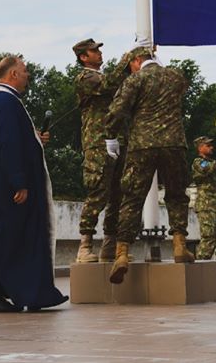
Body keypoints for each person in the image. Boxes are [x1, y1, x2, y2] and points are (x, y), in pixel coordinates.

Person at [0, 55, 68, 312]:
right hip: (6, 185)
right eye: (25, 71)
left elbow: (16, 140)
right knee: (4, 238)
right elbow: (7, 145)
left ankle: (29, 293)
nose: (28, 75)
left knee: (19, 238)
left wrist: (35, 139)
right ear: (13, 75)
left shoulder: (6, 100)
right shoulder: (5, 101)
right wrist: (18, 182)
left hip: (4, 181)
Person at [104, 46, 193, 284]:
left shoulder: (135, 79)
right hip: (174, 144)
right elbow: (180, 90)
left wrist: (111, 137)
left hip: (142, 145)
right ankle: (179, 245)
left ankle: (122, 253)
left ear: (136, 60)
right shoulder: (175, 76)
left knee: (132, 198)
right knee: (176, 195)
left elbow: (117, 109)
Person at [71, 38, 130, 263]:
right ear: (83, 57)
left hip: (117, 139)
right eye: (94, 51)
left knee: (118, 194)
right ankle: (85, 245)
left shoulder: (104, 76)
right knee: (97, 192)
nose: (99, 53)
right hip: (97, 142)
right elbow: (108, 86)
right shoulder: (85, 78)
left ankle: (110, 244)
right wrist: (126, 60)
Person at [191, 136, 216, 261]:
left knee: (212, 236)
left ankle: (203, 260)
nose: (212, 147)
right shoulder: (198, 162)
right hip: (206, 205)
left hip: (212, 205)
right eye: (208, 145)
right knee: (208, 236)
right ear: (200, 148)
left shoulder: (211, 162)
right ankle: (201, 261)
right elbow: (206, 169)